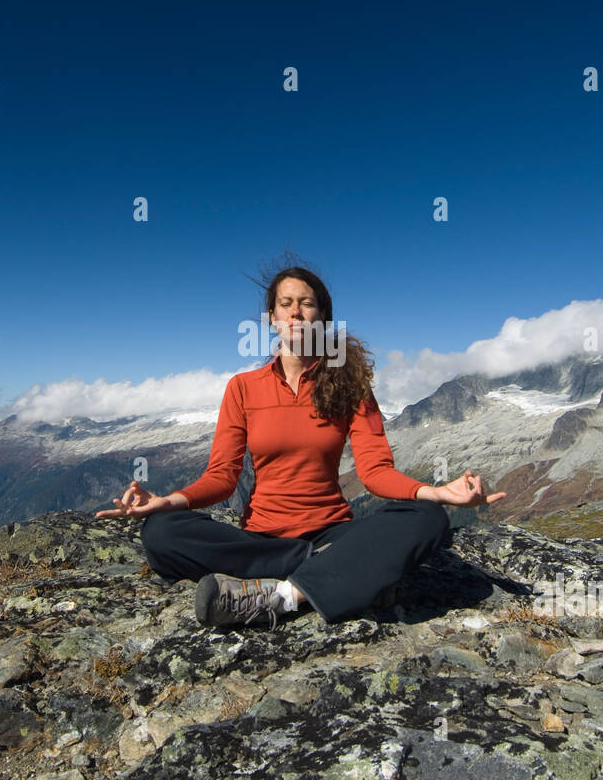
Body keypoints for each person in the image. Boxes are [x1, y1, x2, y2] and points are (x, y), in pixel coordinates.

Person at [97, 266, 505, 630]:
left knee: (426, 519)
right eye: (285, 304)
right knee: (161, 532)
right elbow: (222, 478)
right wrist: (167, 502)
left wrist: (435, 493)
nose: (295, 312)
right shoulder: (242, 388)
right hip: (261, 539)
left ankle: (282, 597)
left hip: (332, 533)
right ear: (271, 318)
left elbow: (375, 472)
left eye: (306, 303)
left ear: (321, 318)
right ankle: (342, 576)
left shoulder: (350, 386)